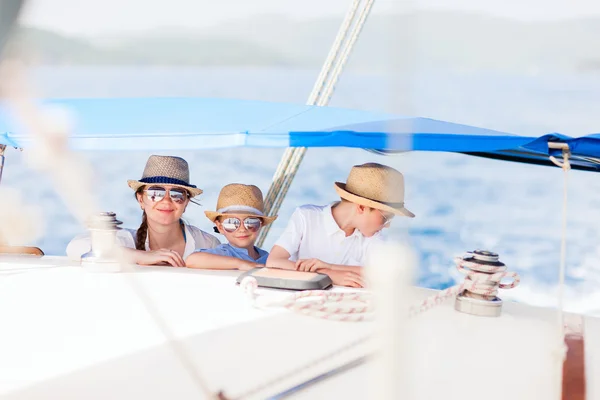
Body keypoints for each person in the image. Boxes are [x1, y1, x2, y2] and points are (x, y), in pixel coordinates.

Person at [266, 162, 414, 288]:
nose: (387, 225)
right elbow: (274, 261)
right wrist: (328, 275)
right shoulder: (306, 217)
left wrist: (330, 267)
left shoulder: (372, 236)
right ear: (361, 207)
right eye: (386, 218)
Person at [66, 155, 220, 266]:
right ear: (141, 200)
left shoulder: (208, 243)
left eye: (176, 194)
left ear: (185, 203)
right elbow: (75, 247)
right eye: (155, 193)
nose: (166, 200)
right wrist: (141, 256)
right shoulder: (126, 240)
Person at [186, 183, 276, 271]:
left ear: (260, 225)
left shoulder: (268, 258)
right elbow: (192, 260)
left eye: (250, 222)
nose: (242, 229)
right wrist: (241, 264)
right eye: (231, 223)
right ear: (220, 227)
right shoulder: (224, 253)